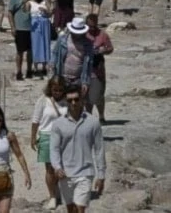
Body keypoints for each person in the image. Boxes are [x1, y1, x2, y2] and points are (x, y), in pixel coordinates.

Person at [50, 84, 106, 212]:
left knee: (80, 208)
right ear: (66, 101)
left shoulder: (93, 122)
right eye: (70, 100)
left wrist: (101, 175)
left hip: (85, 173)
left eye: (76, 99)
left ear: (82, 100)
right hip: (65, 174)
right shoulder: (58, 124)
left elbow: (99, 149)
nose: (73, 103)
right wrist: (57, 167)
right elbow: (54, 149)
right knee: (71, 209)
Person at [31, 76, 69, 210]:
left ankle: (59, 190)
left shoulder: (68, 101)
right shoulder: (43, 100)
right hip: (47, 136)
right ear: (50, 89)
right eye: (55, 90)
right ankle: (52, 195)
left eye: (60, 90)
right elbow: (35, 120)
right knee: (50, 169)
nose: (57, 92)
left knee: (62, 167)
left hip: (64, 138)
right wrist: (33, 137)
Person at [53, 17, 94, 99]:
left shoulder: (88, 44)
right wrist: (54, 75)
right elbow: (55, 55)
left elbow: (89, 64)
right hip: (62, 77)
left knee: (75, 105)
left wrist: (85, 82)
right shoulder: (62, 40)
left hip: (78, 79)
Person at [84, 14, 113, 123]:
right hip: (85, 69)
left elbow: (110, 48)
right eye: (89, 26)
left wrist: (103, 50)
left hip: (97, 69)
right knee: (87, 96)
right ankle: (89, 117)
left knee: (98, 95)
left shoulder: (102, 35)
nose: (91, 28)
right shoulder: (82, 34)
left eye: (93, 26)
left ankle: (101, 115)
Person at [7, 0, 33, 81]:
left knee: (30, 51)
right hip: (20, 28)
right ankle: (19, 71)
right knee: (20, 51)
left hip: (31, 28)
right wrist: (13, 27)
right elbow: (10, 13)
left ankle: (29, 70)